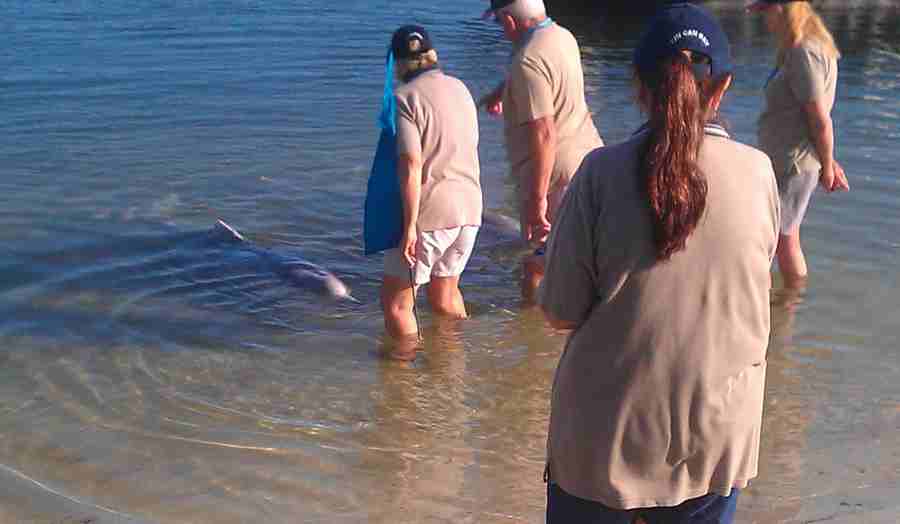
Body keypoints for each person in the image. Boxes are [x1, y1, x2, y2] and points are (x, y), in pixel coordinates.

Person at [538, 4, 780, 523]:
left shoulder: (599, 172)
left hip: (603, 443)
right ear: (722, 89)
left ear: (638, 85)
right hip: (717, 440)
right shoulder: (759, 172)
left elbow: (558, 310)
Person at [480, 0, 603, 303]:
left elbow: (545, 134)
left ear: (509, 22)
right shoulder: (563, 36)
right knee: (583, 260)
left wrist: (537, 202)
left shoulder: (527, 59)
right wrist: (504, 91)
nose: (501, 30)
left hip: (556, 178)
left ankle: (535, 341)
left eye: (498, 23)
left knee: (536, 266)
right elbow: (545, 73)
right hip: (590, 162)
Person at [380, 25, 483, 354]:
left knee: (397, 304)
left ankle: (403, 386)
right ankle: (452, 373)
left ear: (397, 63)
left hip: (431, 214)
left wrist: (408, 226)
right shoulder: (460, 88)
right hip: (469, 211)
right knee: (446, 294)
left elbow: (411, 163)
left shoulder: (404, 98)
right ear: (432, 55)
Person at [752, 0, 849, 285]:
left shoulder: (803, 52)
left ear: (782, 9)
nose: (765, 20)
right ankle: (787, 305)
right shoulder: (805, 47)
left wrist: (828, 166)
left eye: (765, 11)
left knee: (782, 240)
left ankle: (787, 305)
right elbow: (814, 120)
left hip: (792, 164)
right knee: (784, 237)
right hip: (791, 160)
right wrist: (828, 160)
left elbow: (820, 119)